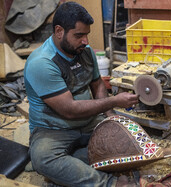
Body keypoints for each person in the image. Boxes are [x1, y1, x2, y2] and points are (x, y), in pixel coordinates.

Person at [24, 2, 139, 187]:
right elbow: (70, 110)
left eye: (86, 34)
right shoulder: (42, 63)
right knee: (43, 159)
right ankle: (109, 183)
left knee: (129, 141)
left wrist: (111, 119)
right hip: (52, 130)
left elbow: (98, 84)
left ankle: (74, 162)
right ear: (59, 31)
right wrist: (114, 101)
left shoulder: (84, 52)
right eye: (79, 35)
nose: (85, 41)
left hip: (88, 123)